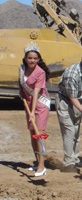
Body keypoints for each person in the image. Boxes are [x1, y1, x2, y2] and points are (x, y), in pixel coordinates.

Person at [55, 49, 82, 173]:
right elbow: (72, 97)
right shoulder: (72, 74)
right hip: (65, 101)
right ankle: (68, 163)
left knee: (76, 131)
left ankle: (75, 159)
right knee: (69, 132)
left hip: (78, 100)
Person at [19, 41, 51, 177]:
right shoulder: (21, 68)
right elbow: (20, 83)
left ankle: (42, 166)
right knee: (33, 134)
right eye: (30, 58)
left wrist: (32, 112)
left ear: (38, 59)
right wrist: (21, 94)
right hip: (29, 103)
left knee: (39, 134)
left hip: (40, 105)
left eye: (35, 58)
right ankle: (37, 162)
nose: (32, 60)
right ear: (26, 58)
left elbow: (37, 92)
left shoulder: (40, 72)